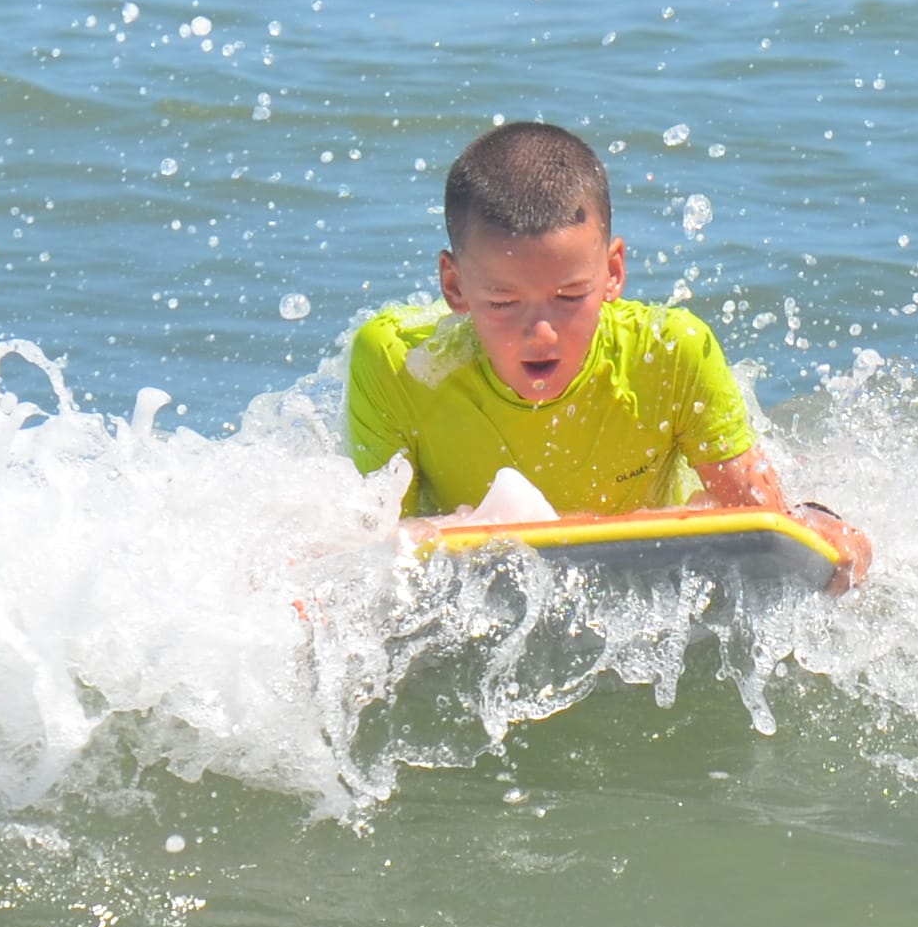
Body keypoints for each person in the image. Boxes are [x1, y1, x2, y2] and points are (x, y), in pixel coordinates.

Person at [341, 121, 871, 584]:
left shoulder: (671, 354)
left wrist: (826, 533)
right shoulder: (398, 363)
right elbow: (377, 548)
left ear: (613, 271)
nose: (542, 334)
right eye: (503, 303)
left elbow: (762, 527)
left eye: (570, 297)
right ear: (454, 286)